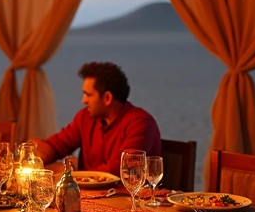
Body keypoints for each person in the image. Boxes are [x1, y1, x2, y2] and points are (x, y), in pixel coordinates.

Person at [32, 62, 161, 172]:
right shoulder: (85, 117)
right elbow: (58, 144)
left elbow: (118, 170)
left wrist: (67, 172)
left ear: (107, 98)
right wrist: (38, 156)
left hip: (128, 198)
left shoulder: (141, 123)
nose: (83, 100)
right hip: (89, 195)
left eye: (88, 95)